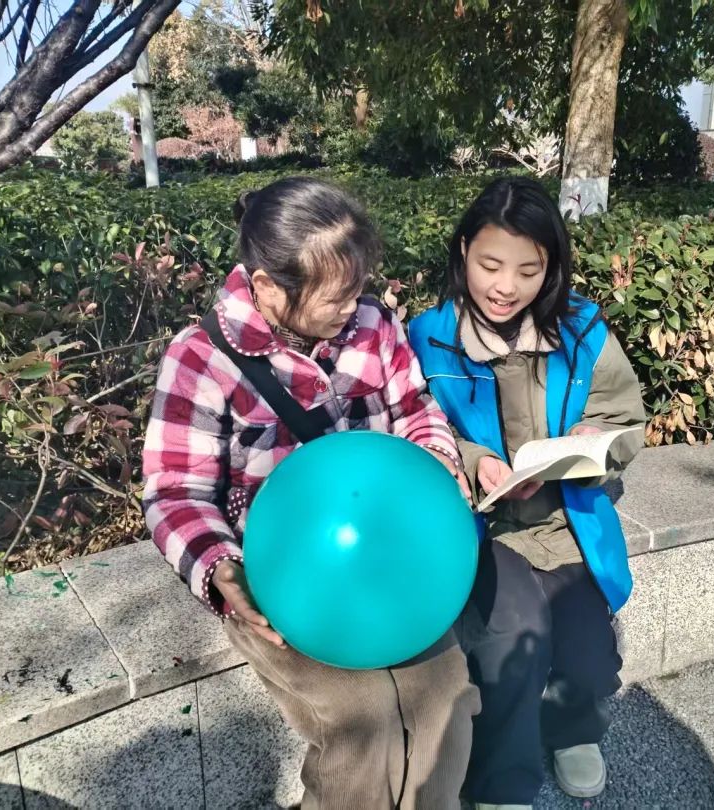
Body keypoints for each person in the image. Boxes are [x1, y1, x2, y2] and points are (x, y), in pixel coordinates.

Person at [142, 176, 479, 810]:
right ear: (268, 285)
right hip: (282, 583)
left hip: (391, 560)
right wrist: (220, 570)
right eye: (336, 296)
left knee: (446, 695)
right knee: (362, 718)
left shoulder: (373, 325)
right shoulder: (201, 360)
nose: (353, 307)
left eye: (358, 289)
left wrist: (434, 458)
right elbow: (174, 493)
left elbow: (414, 408)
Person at [408, 177, 647, 809]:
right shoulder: (427, 338)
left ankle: (574, 730)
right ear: (464, 251)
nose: (505, 287)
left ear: (552, 268)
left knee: (590, 652)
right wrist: (475, 461)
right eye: (490, 265)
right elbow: (416, 427)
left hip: (568, 520)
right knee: (514, 638)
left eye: (528, 270)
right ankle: (502, 780)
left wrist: (593, 443)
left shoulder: (583, 331)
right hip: (482, 527)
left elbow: (626, 420)